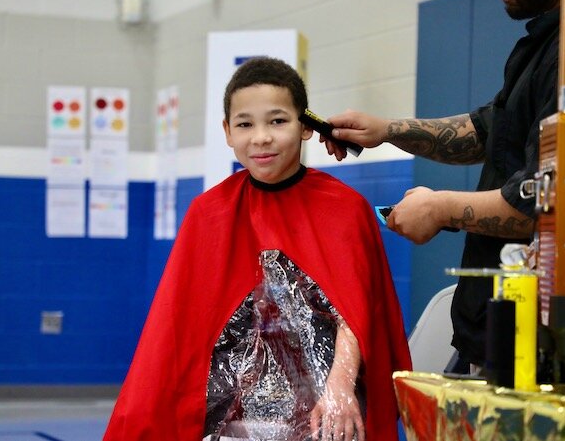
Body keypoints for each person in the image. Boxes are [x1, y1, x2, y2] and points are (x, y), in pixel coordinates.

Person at [103, 57, 411, 441]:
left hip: (327, 413)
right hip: (229, 418)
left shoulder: (345, 209)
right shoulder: (207, 214)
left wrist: (341, 386)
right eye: (245, 124)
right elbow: (174, 334)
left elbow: (359, 313)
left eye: (277, 121)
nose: (261, 137)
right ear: (227, 132)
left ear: (305, 127)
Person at [321, 0, 564, 374]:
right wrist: (387, 130)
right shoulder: (540, 47)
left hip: (541, 341)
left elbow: (540, 205)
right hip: (494, 332)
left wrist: (438, 208)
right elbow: (484, 131)